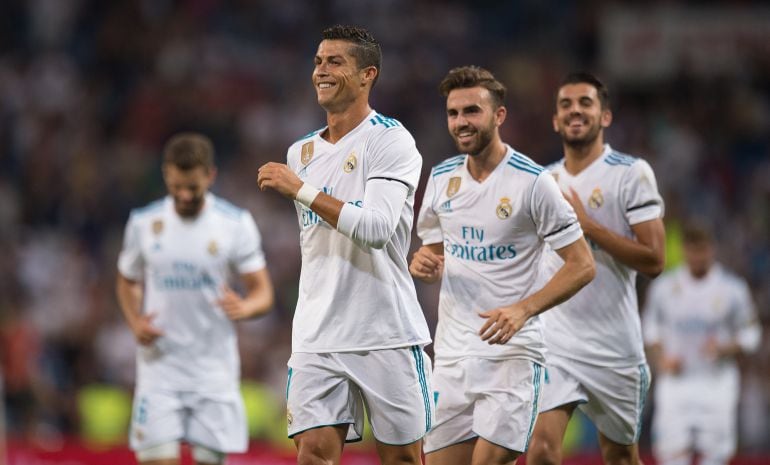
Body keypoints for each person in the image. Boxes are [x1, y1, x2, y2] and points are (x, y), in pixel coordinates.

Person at [256, 25, 433, 465]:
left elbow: (375, 228)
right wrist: (302, 186)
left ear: (367, 74)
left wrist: (301, 190)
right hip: (318, 332)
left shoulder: (390, 140)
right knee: (313, 453)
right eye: (318, 61)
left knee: (404, 459)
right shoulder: (302, 153)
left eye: (335, 62)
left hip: (384, 330)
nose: (321, 70)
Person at [409, 66, 595, 465]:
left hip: (511, 356)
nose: (461, 122)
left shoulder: (533, 183)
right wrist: (424, 262)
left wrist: (523, 310)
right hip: (453, 356)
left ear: (499, 116)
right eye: (453, 113)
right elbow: (433, 250)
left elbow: (582, 265)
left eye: (472, 111)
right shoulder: (441, 179)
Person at [527, 72, 666, 465]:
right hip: (555, 341)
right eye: (566, 105)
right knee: (540, 449)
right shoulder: (542, 181)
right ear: (555, 120)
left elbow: (654, 260)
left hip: (614, 345)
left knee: (620, 456)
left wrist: (588, 227)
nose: (575, 111)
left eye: (585, 103)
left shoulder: (631, 173)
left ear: (605, 116)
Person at [116, 132, 274, 465]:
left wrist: (245, 306)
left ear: (210, 176)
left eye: (193, 187)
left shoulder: (235, 224)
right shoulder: (144, 223)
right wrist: (134, 320)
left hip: (212, 372)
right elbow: (128, 279)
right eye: (176, 187)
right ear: (166, 176)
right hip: (160, 369)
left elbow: (263, 292)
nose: (185, 195)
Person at [642, 221, 761, 465]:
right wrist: (661, 358)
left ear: (712, 248)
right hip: (676, 383)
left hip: (716, 382)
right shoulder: (664, 287)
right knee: (671, 454)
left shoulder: (732, 289)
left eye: (702, 248)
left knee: (716, 456)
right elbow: (650, 330)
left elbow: (751, 333)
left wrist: (726, 348)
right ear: (685, 249)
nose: (697, 255)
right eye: (693, 249)